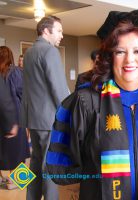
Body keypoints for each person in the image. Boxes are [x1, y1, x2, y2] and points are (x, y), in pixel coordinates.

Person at [46, 10, 138, 200]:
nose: (129, 60)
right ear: (110, 57)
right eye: (120, 51)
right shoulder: (86, 102)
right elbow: (64, 167)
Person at [21, 16, 69, 200]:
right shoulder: (49, 52)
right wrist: (69, 114)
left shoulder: (29, 52)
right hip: (49, 118)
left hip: (33, 118)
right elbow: (57, 88)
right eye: (59, 31)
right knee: (49, 165)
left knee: (35, 162)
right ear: (46, 31)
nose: (62, 35)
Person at [0, 46, 30, 189]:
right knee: (17, 150)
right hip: (13, 116)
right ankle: (15, 182)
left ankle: (2, 179)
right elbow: (22, 92)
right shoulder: (15, 72)